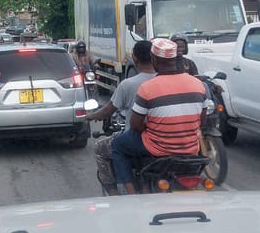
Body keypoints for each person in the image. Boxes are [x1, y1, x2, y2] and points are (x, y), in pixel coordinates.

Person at [111, 38, 210, 195]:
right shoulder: (198, 84)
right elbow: (202, 121)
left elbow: (135, 125)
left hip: (158, 147)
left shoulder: (147, 88)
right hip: (190, 147)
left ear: (154, 60)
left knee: (117, 146)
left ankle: (130, 193)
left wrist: (153, 127)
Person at [85, 40, 155, 195]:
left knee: (101, 148)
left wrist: (90, 116)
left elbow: (108, 111)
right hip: (166, 139)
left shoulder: (128, 84)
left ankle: (116, 194)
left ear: (135, 59)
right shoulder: (165, 81)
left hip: (139, 139)